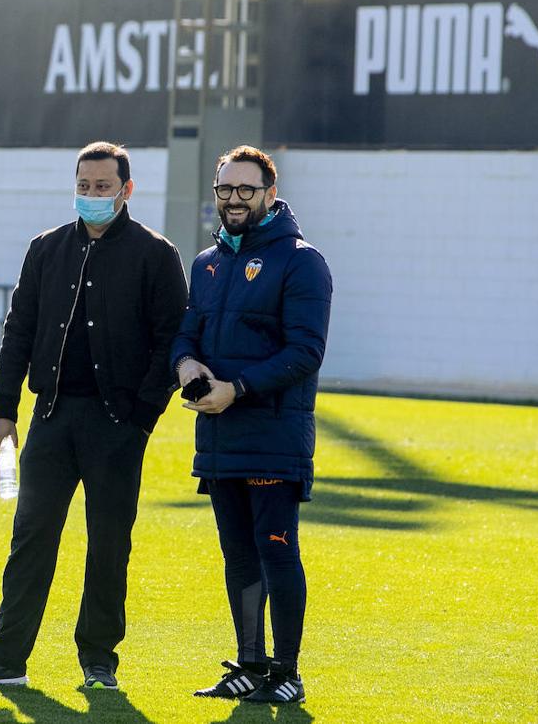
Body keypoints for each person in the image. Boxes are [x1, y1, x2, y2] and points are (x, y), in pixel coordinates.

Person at [0, 141, 189, 689]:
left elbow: (171, 340)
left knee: (109, 545)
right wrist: (2, 410)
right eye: (83, 186)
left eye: (102, 187)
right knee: (30, 537)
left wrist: (141, 418)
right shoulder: (46, 249)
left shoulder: (156, 255)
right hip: (51, 419)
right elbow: (19, 330)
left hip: (117, 426)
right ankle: (6, 658)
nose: (91, 196)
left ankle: (98, 661)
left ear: (126, 190)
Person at [171, 145, 332, 705]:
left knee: (276, 551)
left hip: (273, 438)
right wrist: (185, 364)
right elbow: (186, 331)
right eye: (225, 189)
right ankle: (249, 663)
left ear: (269, 193)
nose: (233, 200)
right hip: (219, 437)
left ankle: (287, 673)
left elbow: (306, 352)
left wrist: (235, 389)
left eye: (245, 190)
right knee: (238, 555)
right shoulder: (206, 263)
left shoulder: (302, 261)